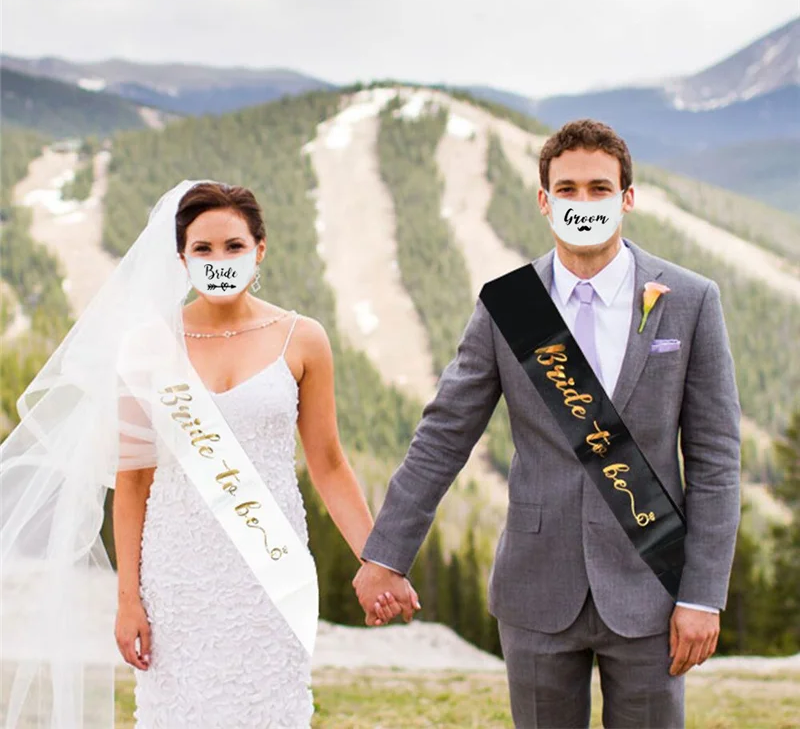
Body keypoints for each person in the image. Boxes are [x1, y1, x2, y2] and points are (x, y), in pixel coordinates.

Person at [354, 119, 741, 728]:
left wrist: (702, 593)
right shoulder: (510, 305)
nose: (583, 203)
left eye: (598, 188)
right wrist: (386, 554)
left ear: (627, 198)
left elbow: (716, 461)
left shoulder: (690, 301)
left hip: (652, 583)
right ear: (544, 201)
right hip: (535, 588)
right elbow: (443, 436)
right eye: (567, 189)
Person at [0, 179, 412, 728]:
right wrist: (128, 600)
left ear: (259, 250)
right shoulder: (147, 347)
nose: (219, 260)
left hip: (269, 568)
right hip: (176, 577)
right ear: (183, 260)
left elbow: (330, 465)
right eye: (203, 248)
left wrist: (376, 562)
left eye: (233, 246)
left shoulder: (303, 339)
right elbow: (133, 481)